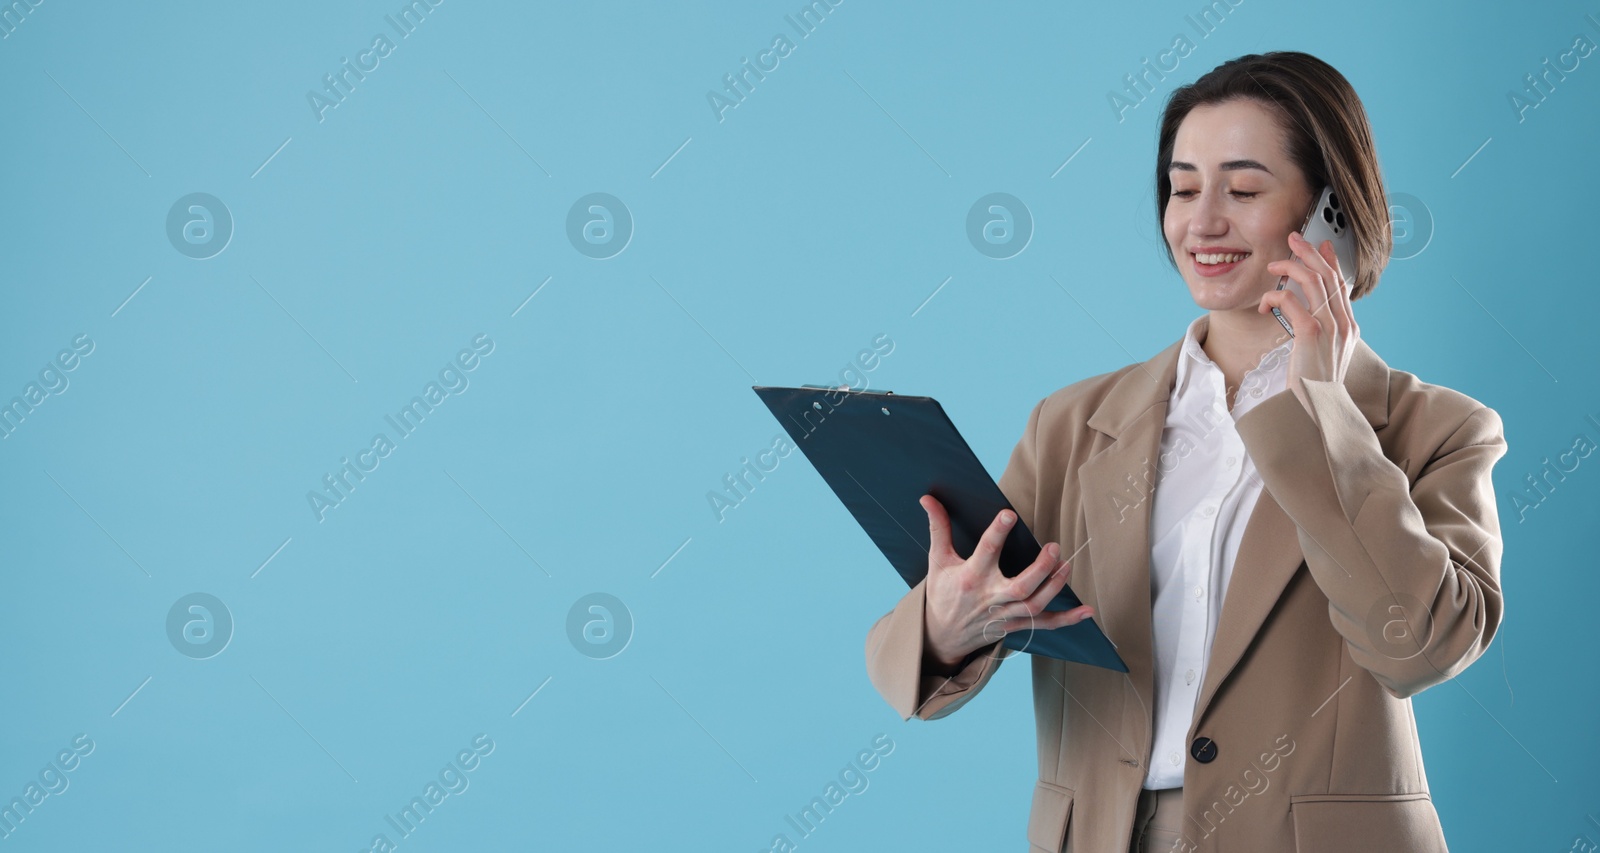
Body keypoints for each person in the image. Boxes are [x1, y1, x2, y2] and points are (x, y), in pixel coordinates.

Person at [864, 51, 1506, 853]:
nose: (1201, 222)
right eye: (1181, 186)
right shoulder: (1071, 424)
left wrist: (1326, 412)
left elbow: (1420, 646)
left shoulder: (1435, 428)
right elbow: (910, 655)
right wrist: (947, 624)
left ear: (1329, 214)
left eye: (1242, 190)